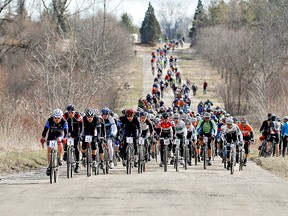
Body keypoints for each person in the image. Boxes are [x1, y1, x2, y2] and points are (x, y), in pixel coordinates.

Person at [40, 108, 68, 176]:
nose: (56, 119)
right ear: (53, 117)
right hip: (51, 134)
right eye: (55, 118)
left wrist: (65, 138)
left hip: (60, 134)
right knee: (49, 148)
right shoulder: (49, 120)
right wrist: (43, 137)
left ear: (61, 117)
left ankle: (60, 158)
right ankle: (49, 165)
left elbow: (66, 132)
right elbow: (45, 130)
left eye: (58, 118)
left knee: (60, 143)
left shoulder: (64, 121)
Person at [63, 104, 83, 173]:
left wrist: (80, 134)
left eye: (72, 113)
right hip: (68, 131)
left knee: (76, 147)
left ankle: (77, 164)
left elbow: (82, 126)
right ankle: (65, 152)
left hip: (76, 131)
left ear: (75, 112)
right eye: (69, 113)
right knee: (65, 139)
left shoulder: (78, 116)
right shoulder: (65, 116)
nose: (70, 114)